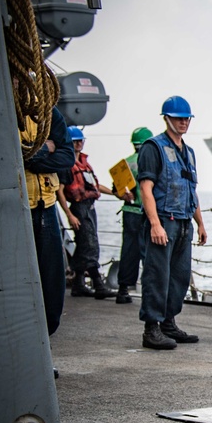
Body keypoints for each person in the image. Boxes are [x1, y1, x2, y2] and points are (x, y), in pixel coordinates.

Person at [136, 96, 207, 350]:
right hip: (164, 220)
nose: (183, 122)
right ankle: (151, 328)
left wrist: (200, 223)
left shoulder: (188, 152)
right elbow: (146, 188)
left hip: (184, 222)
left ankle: (168, 322)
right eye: (178, 118)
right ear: (166, 118)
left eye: (186, 118)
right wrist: (155, 224)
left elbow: (191, 188)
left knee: (179, 276)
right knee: (157, 274)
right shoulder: (153, 148)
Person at [22, 106, 73, 335]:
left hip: (46, 206)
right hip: (15, 206)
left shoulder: (47, 111)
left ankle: (44, 339)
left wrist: (32, 158)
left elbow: (66, 156)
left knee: (53, 282)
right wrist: (46, 149)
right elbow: (9, 153)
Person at [57, 125, 119, 300]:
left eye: (80, 141)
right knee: (91, 244)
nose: (79, 144)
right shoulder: (66, 165)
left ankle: (78, 284)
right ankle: (98, 285)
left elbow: (94, 186)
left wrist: (115, 194)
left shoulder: (84, 164)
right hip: (79, 208)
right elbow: (59, 191)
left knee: (84, 245)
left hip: (90, 207)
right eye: (75, 141)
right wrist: (69, 214)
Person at [115, 126, 154, 304]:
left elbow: (117, 190)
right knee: (149, 253)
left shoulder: (126, 163)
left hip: (129, 212)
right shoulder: (152, 162)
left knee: (129, 251)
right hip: (146, 212)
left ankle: (123, 290)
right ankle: (149, 292)